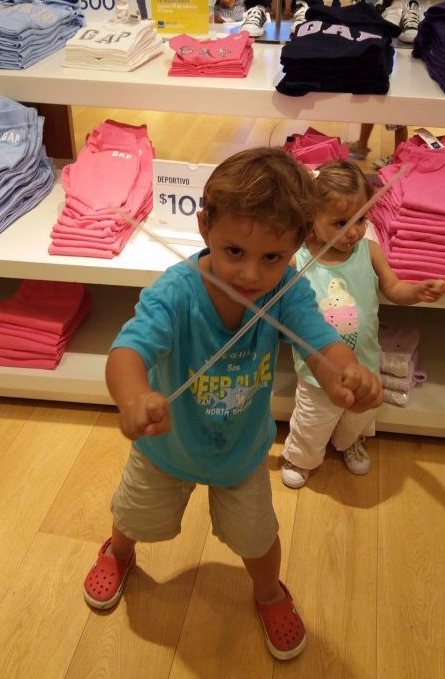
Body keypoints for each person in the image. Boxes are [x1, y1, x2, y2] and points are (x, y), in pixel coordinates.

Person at [83, 147, 383, 661]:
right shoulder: (176, 292)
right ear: (204, 226)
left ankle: (268, 593)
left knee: (258, 538)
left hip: (240, 453)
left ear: (298, 243)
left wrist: (343, 374)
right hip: (166, 448)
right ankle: (119, 552)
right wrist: (133, 396)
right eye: (234, 251)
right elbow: (127, 350)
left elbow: (319, 341)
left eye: (272, 257)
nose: (250, 274)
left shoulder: (287, 291)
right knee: (133, 516)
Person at [281, 158, 445, 489]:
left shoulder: (369, 251)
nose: (354, 231)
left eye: (361, 219)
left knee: (359, 414)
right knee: (313, 420)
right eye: (341, 222)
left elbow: (394, 288)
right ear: (312, 216)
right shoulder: (299, 258)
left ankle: (350, 442)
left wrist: (416, 291)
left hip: (366, 363)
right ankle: (301, 457)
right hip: (318, 372)